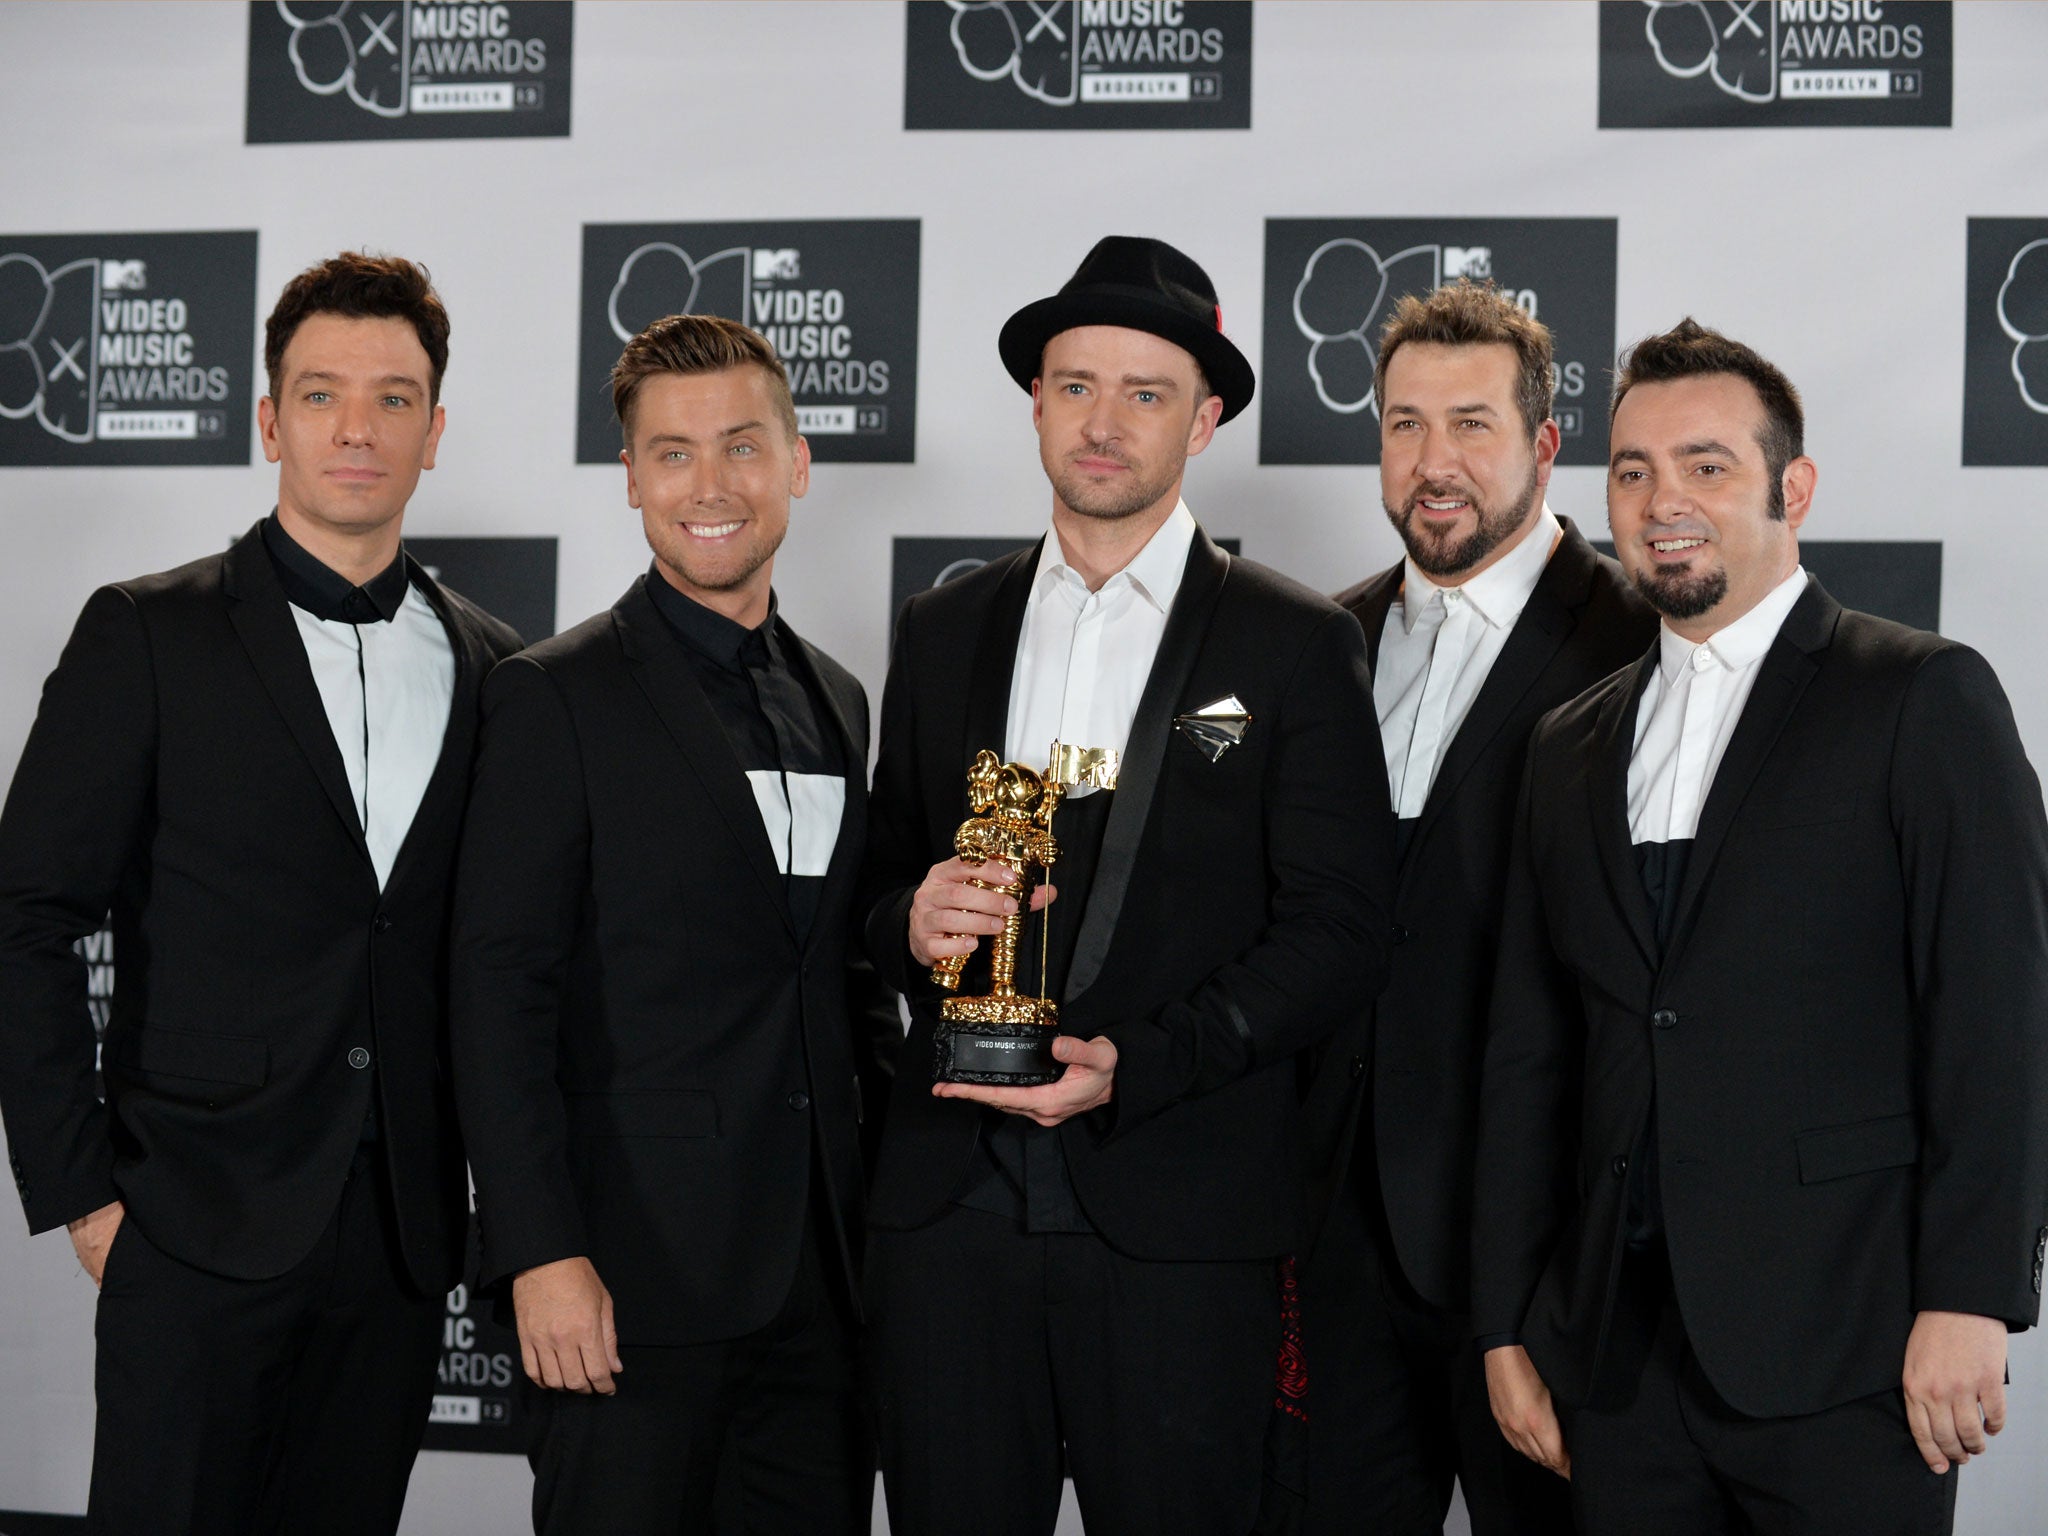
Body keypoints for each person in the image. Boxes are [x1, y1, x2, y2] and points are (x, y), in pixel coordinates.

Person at [1472, 318, 2048, 1535]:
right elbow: (1530, 1053)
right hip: (1615, 1363)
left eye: (1704, 465)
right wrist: (1504, 1321)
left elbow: (1996, 1018)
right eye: (1630, 471)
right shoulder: (1566, 744)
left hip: (1851, 1352)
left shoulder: (1918, 696)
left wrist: (1971, 1296)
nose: (1659, 500)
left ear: (1793, 487)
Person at [858, 234, 1395, 1536]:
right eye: (1076, 384)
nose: (1105, 422)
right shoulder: (943, 627)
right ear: (1035, 403)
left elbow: (1339, 929)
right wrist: (908, 921)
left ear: (1205, 419)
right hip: (949, 1217)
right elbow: (875, 890)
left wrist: (1140, 1064)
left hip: (1175, 1222)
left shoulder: (1293, 640)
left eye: (1146, 393)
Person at [0, 251, 523, 1534]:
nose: (358, 428)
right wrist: (86, 1195)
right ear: (268, 419)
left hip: (401, 1240)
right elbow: (25, 915)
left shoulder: (498, 663)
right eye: (323, 394)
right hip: (190, 1223)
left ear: (436, 430)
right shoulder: (146, 633)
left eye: (395, 398)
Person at [450, 313, 897, 1535]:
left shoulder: (839, 698)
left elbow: (837, 981)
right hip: (623, 1287)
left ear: (796, 465)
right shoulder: (553, 694)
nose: (711, 486)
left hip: (820, 1291)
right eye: (674, 454)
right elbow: (497, 993)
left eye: (743, 447)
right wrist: (539, 1253)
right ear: (633, 479)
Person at [1296, 282, 1653, 1534]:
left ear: (1545, 448)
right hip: (1330, 1251)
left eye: (1469, 426)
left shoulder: (1642, 647)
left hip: (1548, 1255)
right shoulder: (1315, 645)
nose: (1430, 464)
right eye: (1402, 426)